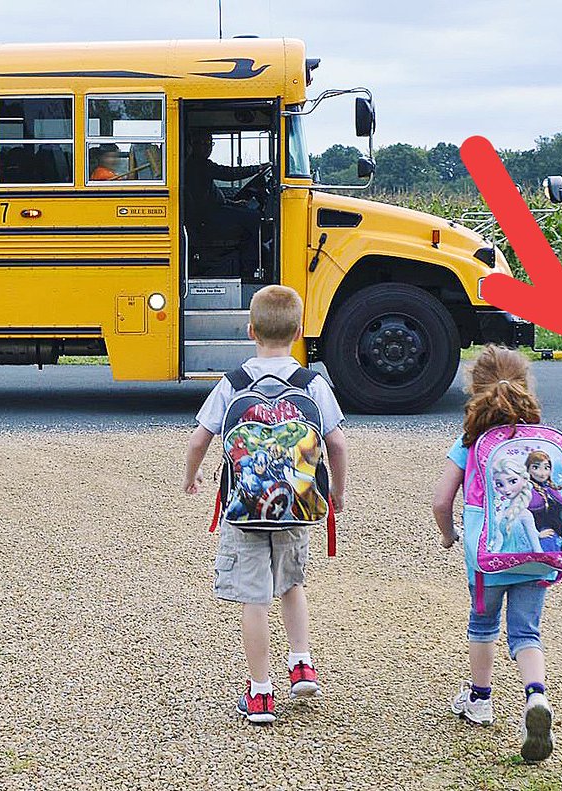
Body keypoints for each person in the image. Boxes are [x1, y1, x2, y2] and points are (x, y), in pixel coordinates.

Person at [182, 285, 348, 725]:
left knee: (253, 599)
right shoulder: (311, 383)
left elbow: (201, 436)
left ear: (250, 330)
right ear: (297, 332)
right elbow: (336, 441)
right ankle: (301, 663)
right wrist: (337, 492)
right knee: (292, 584)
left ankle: (259, 694)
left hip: (244, 510)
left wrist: (191, 476)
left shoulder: (233, 382)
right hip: (296, 505)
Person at [432, 345, 557, 763]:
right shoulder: (540, 442)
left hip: (488, 559)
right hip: (538, 556)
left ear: (474, 388)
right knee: (527, 633)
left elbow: (440, 501)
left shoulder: (471, 441)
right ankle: (535, 697)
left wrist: (449, 536)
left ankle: (481, 700)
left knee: (483, 624)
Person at [184, 131, 265, 246]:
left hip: (212, 209)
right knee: (255, 218)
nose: (207, 148)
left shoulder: (199, 164)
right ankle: (251, 261)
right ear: (193, 145)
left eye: (209, 143)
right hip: (207, 215)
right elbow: (229, 173)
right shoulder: (198, 165)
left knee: (247, 212)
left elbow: (208, 195)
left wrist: (233, 202)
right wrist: (257, 168)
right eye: (202, 143)